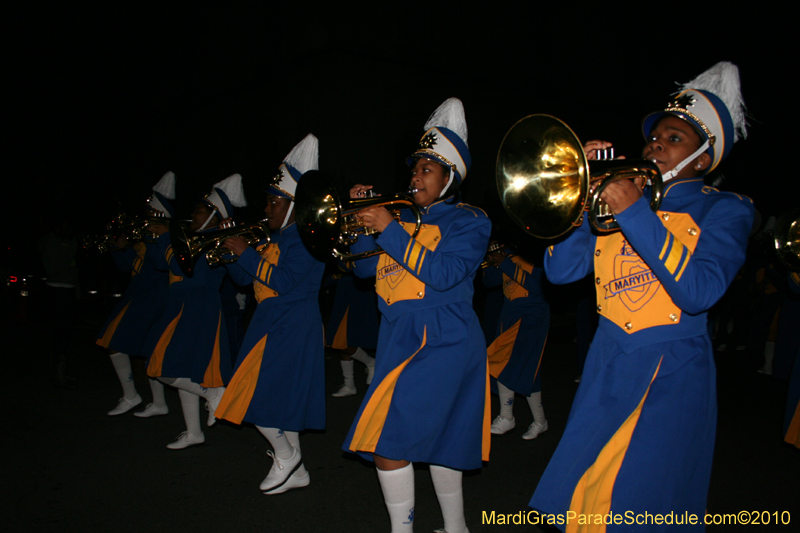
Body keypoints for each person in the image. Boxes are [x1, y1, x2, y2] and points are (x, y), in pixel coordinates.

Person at [529, 62, 755, 530]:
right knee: (582, 507)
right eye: (655, 135)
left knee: (638, 510)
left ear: (705, 156)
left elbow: (700, 292)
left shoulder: (725, 210)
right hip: (607, 366)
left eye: (675, 138)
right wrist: (578, 196)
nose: (656, 143)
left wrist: (633, 210)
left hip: (673, 372)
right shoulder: (618, 201)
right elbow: (560, 270)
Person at [344, 98, 491, 533]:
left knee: (388, 440)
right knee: (441, 442)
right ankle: (456, 528)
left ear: (451, 177)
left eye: (427, 169)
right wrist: (358, 227)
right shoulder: (401, 220)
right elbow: (362, 267)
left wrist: (388, 227)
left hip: (444, 339)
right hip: (399, 340)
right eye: (414, 169)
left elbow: (445, 274)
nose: (414, 176)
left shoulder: (470, 221)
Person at [215, 134, 325, 494]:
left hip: (294, 323)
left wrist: (248, 253)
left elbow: (286, 281)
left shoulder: (308, 239)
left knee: (257, 398)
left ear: (293, 204)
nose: (267, 209)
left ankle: (285, 455)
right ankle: (299, 468)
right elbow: (245, 281)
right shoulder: (276, 240)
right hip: (270, 322)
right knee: (282, 402)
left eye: (273, 203)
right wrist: (233, 253)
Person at [144, 174, 244, 449]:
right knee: (181, 369)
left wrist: (165, 237)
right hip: (182, 305)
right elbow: (160, 264)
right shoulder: (195, 238)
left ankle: (212, 392)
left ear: (214, 215)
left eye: (199, 211)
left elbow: (179, 267)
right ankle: (194, 432)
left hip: (199, 306)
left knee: (161, 367)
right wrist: (155, 238)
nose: (193, 215)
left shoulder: (215, 240)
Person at [98, 171, 174, 417]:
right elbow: (128, 265)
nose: (146, 218)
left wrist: (152, 237)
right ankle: (156, 402)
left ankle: (133, 396)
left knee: (116, 342)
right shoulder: (147, 236)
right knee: (143, 349)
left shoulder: (164, 237)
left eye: (151, 213)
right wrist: (117, 246)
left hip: (152, 297)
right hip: (138, 294)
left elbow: (158, 264)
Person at [483, 245, 550, 440]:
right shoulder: (508, 252)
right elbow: (490, 283)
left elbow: (538, 286)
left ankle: (506, 416)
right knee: (528, 369)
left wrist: (505, 262)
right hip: (510, 314)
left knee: (502, 361)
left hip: (532, 316)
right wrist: (492, 262)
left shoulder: (535, 251)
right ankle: (540, 421)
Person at [326, 261, 378, 397]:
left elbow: (349, 267)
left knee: (340, 341)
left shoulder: (356, 243)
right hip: (344, 293)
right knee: (343, 340)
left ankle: (371, 362)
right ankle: (349, 385)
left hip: (357, 294)